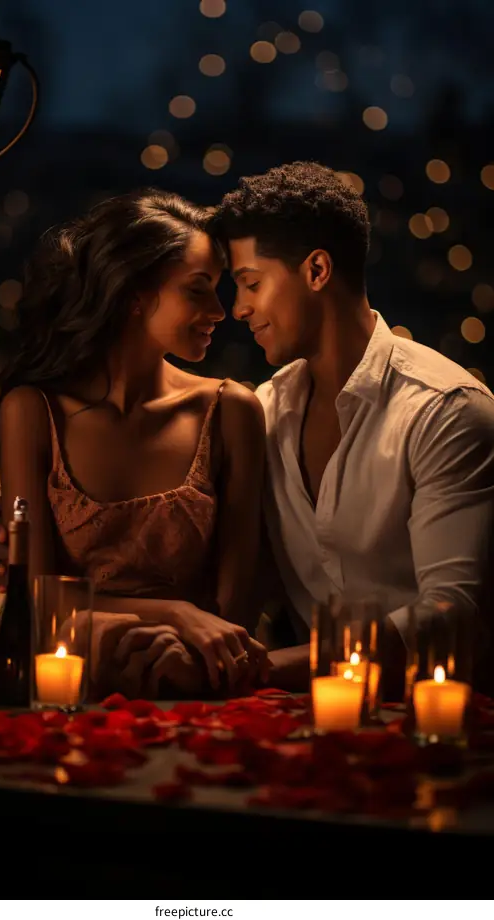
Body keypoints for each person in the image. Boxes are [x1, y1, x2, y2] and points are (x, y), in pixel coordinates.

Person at [210, 160, 494, 695]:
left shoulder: (444, 410)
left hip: (445, 721)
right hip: (315, 719)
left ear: (317, 270)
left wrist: (271, 669)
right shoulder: (265, 413)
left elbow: (452, 612)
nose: (239, 309)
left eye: (251, 284)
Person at [0, 188, 268, 698]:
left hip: (198, 679)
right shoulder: (33, 412)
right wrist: (175, 613)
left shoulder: (231, 411)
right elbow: (33, 598)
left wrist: (185, 654)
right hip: (68, 682)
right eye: (198, 289)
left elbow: (236, 610)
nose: (220, 311)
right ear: (133, 294)